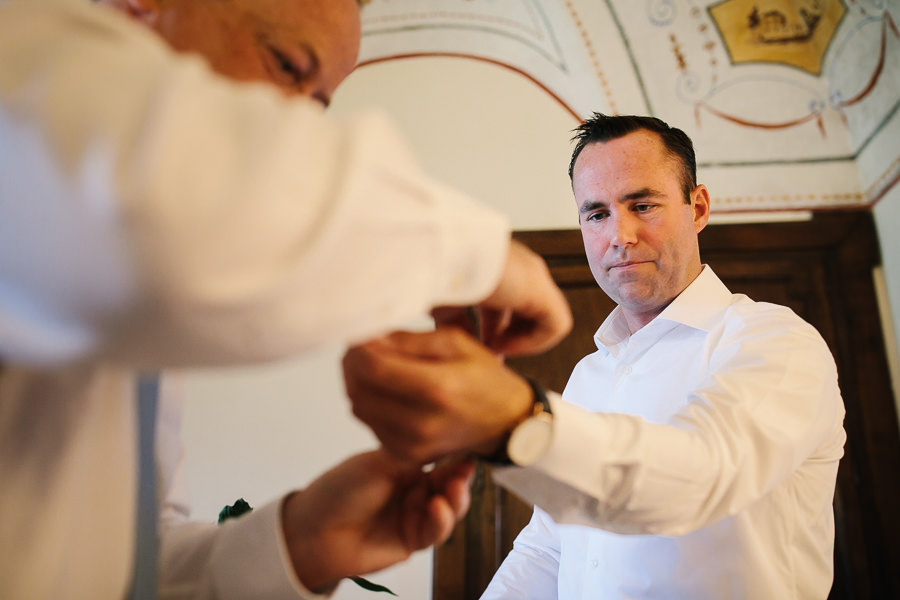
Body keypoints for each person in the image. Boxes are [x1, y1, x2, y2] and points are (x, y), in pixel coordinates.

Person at [0, 0, 572, 597]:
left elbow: (135, 560)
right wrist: (482, 256)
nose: (295, 127)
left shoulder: (125, 304)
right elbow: (171, 208)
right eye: (286, 65)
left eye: (318, 105)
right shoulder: (20, 63)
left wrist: (296, 544)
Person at [343, 113, 847, 599]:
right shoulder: (589, 374)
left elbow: (701, 475)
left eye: (643, 205)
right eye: (597, 214)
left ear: (698, 208)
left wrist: (515, 421)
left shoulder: (774, 340)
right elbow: (548, 548)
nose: (619, 237)